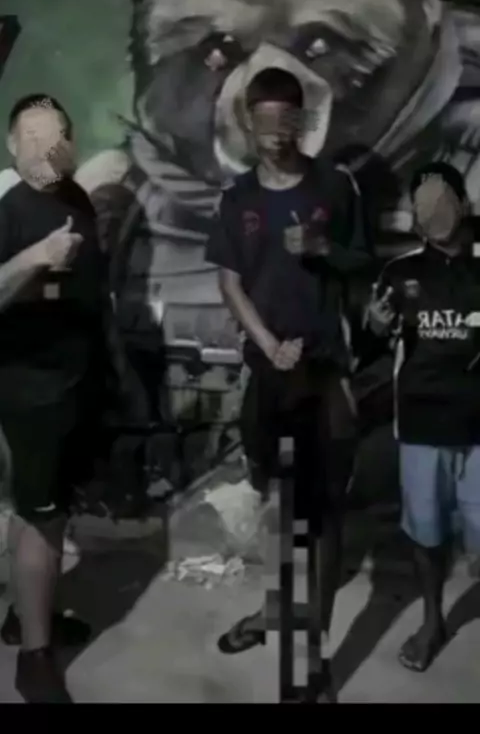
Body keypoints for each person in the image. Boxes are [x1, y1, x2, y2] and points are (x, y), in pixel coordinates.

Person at [205, 67, 371, 701]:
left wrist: (325, 247)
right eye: (264, 120)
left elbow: (364, 263)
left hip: (323, 374)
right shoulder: (238, 198)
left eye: (287, 120)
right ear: (249, 124)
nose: (276, 133)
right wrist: (269, 344)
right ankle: (275, 611)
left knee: (323, 517)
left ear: (301, 121)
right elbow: (229, 282)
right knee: (279, 510)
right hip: (268, 376)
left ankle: (313, 660)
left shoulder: (335, 185)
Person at [0, 94, 110, 703]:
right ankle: (34, 658)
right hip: (31, 391)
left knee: (45, 512)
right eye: (34, 136)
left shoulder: (76, 199)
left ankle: (26, 615)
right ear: (12, 146)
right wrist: (37, 257)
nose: (47, 147)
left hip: (72, 384)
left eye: (58, 135)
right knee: (40, 520)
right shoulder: (10, 210)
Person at [366, 161, 480, 673]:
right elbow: (374, 342)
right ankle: (433, 621)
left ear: (464, 204)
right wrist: (374, 326)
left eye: (442, 197)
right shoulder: (399, 274)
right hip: (421, 429)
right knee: (427, 535)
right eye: (423, 200)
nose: (433, 209)